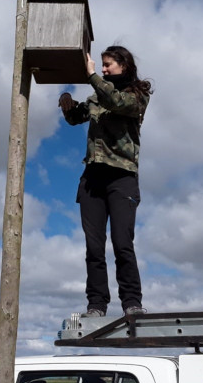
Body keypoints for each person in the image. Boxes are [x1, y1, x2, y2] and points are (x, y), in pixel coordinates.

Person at [58, 46, 153, 317]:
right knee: (94, 247)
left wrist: (91, 77)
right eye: (101, 65)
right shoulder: (98, 94)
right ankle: (97, 304)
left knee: (122, 243)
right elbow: (77, 117)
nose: (103, 70)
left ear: (124, 65)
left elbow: (117, 102)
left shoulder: (138, 95)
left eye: (108, 64)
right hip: (92, 179)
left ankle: (132, 303)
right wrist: (67, 104)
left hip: (122, 178)